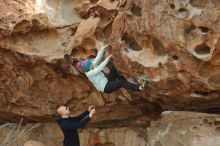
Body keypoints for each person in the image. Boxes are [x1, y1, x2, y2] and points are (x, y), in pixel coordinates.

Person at [75, 45, 148, 94]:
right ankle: (139, 87)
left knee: (114, 70)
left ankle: (126, 82)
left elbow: (98, 58)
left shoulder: (91, 66)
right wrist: (107, 59)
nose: (92, 63)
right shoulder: (90, 74)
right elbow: (99, 68)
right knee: (121, 82)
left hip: (107, 80)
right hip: (106, 87)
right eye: (90, 63)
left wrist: (103, 48)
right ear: (88, 67)